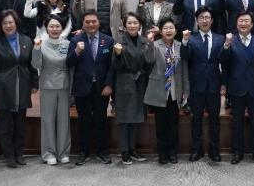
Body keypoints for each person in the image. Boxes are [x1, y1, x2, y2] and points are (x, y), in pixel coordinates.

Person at [0, 9, 38, 168]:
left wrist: (34, 83)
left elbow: (32, 65)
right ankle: (9, 155)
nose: (8, 25)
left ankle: (19, 153)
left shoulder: (27, 40)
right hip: (4, 87)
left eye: (10, 22)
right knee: (5, 126)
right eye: (4, 23)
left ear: (16, 23)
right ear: (0, 25)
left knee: (20, 124)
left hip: (22, 86)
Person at [219, 11, 254, 166]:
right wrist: (226, 45)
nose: (243, 23)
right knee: (237, 122)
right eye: (240, 21)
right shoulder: (230, 41)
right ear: (236, 24)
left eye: (246, 21)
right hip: (236, 87)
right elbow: (223, 62)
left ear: (252, 24)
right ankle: (238, 152)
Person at [66, 11, 116, 166]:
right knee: (83, 121)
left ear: (98, 22)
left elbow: (111, 66)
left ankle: (102, 151)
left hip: (101, 88)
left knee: (101, 120)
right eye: (87, 22)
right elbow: (68, 63)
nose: (91, 24)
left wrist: (109, 84)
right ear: (83, 24)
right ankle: (83, 152)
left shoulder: (108, 40)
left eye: (94, 21)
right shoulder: (75, 41)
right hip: (82, 87)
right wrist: (76, 52)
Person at [181, 6, 227, 162]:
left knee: (215, 119)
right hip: (197, 84)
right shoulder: (191, 38)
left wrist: (224, 83)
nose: (204, 20)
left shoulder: (220, 38)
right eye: (201, 18)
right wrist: (184, 41)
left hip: (214, 83)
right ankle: (197, 149)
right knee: (196, 119)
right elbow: (184, 57)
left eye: (207, 17)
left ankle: (214, 150)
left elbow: (224, 61)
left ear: (212, 20)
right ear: (197, 20)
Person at [144, 17, 189, 164]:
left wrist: (186, 89)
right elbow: (149, 59)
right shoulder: (155, 44)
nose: (169, 31)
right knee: (160, 126)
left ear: (175, 31)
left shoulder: (181, 45)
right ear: (161, 31)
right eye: (165, 28)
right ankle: (162, 154)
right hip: (160, 90)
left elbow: (184, 69)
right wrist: (150, 43)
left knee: (173, 125)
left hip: (175, 90)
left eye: (171, 28)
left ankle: (173, 153)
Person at [31, 15, 72, 166]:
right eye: (51, 26)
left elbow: (72, 66)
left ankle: (64, 152)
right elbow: (36, 64)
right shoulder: (40, 43)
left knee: (64, 120)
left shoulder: (68, 44)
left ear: (62, 28)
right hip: (47, 84)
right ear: (46, 28)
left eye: (57, 26)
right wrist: (36, 48)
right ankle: (49, 153)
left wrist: (72, 86)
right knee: (47, 120)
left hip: (64, 85)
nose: (55, 29)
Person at [111, 12, 149, 165]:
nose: (132, 26)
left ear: (140, 25)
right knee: (125, 119)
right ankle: (125, 151)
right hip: (125, 82)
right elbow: (115, 66)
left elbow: (149, 62)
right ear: (125, 25)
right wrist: (118, 55)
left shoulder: (145, 41)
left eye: (135, 23)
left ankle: (132, 149)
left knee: (136, 118)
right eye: (129, 23)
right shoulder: (119, 41)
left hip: (140, 82)